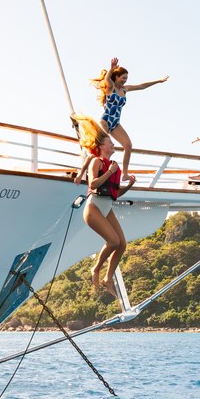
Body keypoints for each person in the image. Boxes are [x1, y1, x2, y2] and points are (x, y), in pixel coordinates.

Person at [74, 115, 137, 295]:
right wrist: (109, 172)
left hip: (107, 207)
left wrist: (129, 185)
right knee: (113, 241)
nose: (114, 144)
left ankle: (108, 278)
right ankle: (95, 269)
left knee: (122, 244)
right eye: (111, 142)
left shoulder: (114, 166)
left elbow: (115, 194)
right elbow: (93, 184)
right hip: (93, 208)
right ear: (102, 147)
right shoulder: (97, 162)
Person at [90, 56, 168, 179]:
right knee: (102, 147)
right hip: (105, 121)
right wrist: (112, 69)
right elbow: (106, 79)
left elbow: (141, 86)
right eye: (123, 78)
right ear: (116, 77)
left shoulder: (125, 89)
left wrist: (158, 81)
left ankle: (125, 174)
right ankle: (94, 169)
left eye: (126, 78)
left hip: (116, 123)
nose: (125, 81)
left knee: (128, 146)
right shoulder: (111, 87)